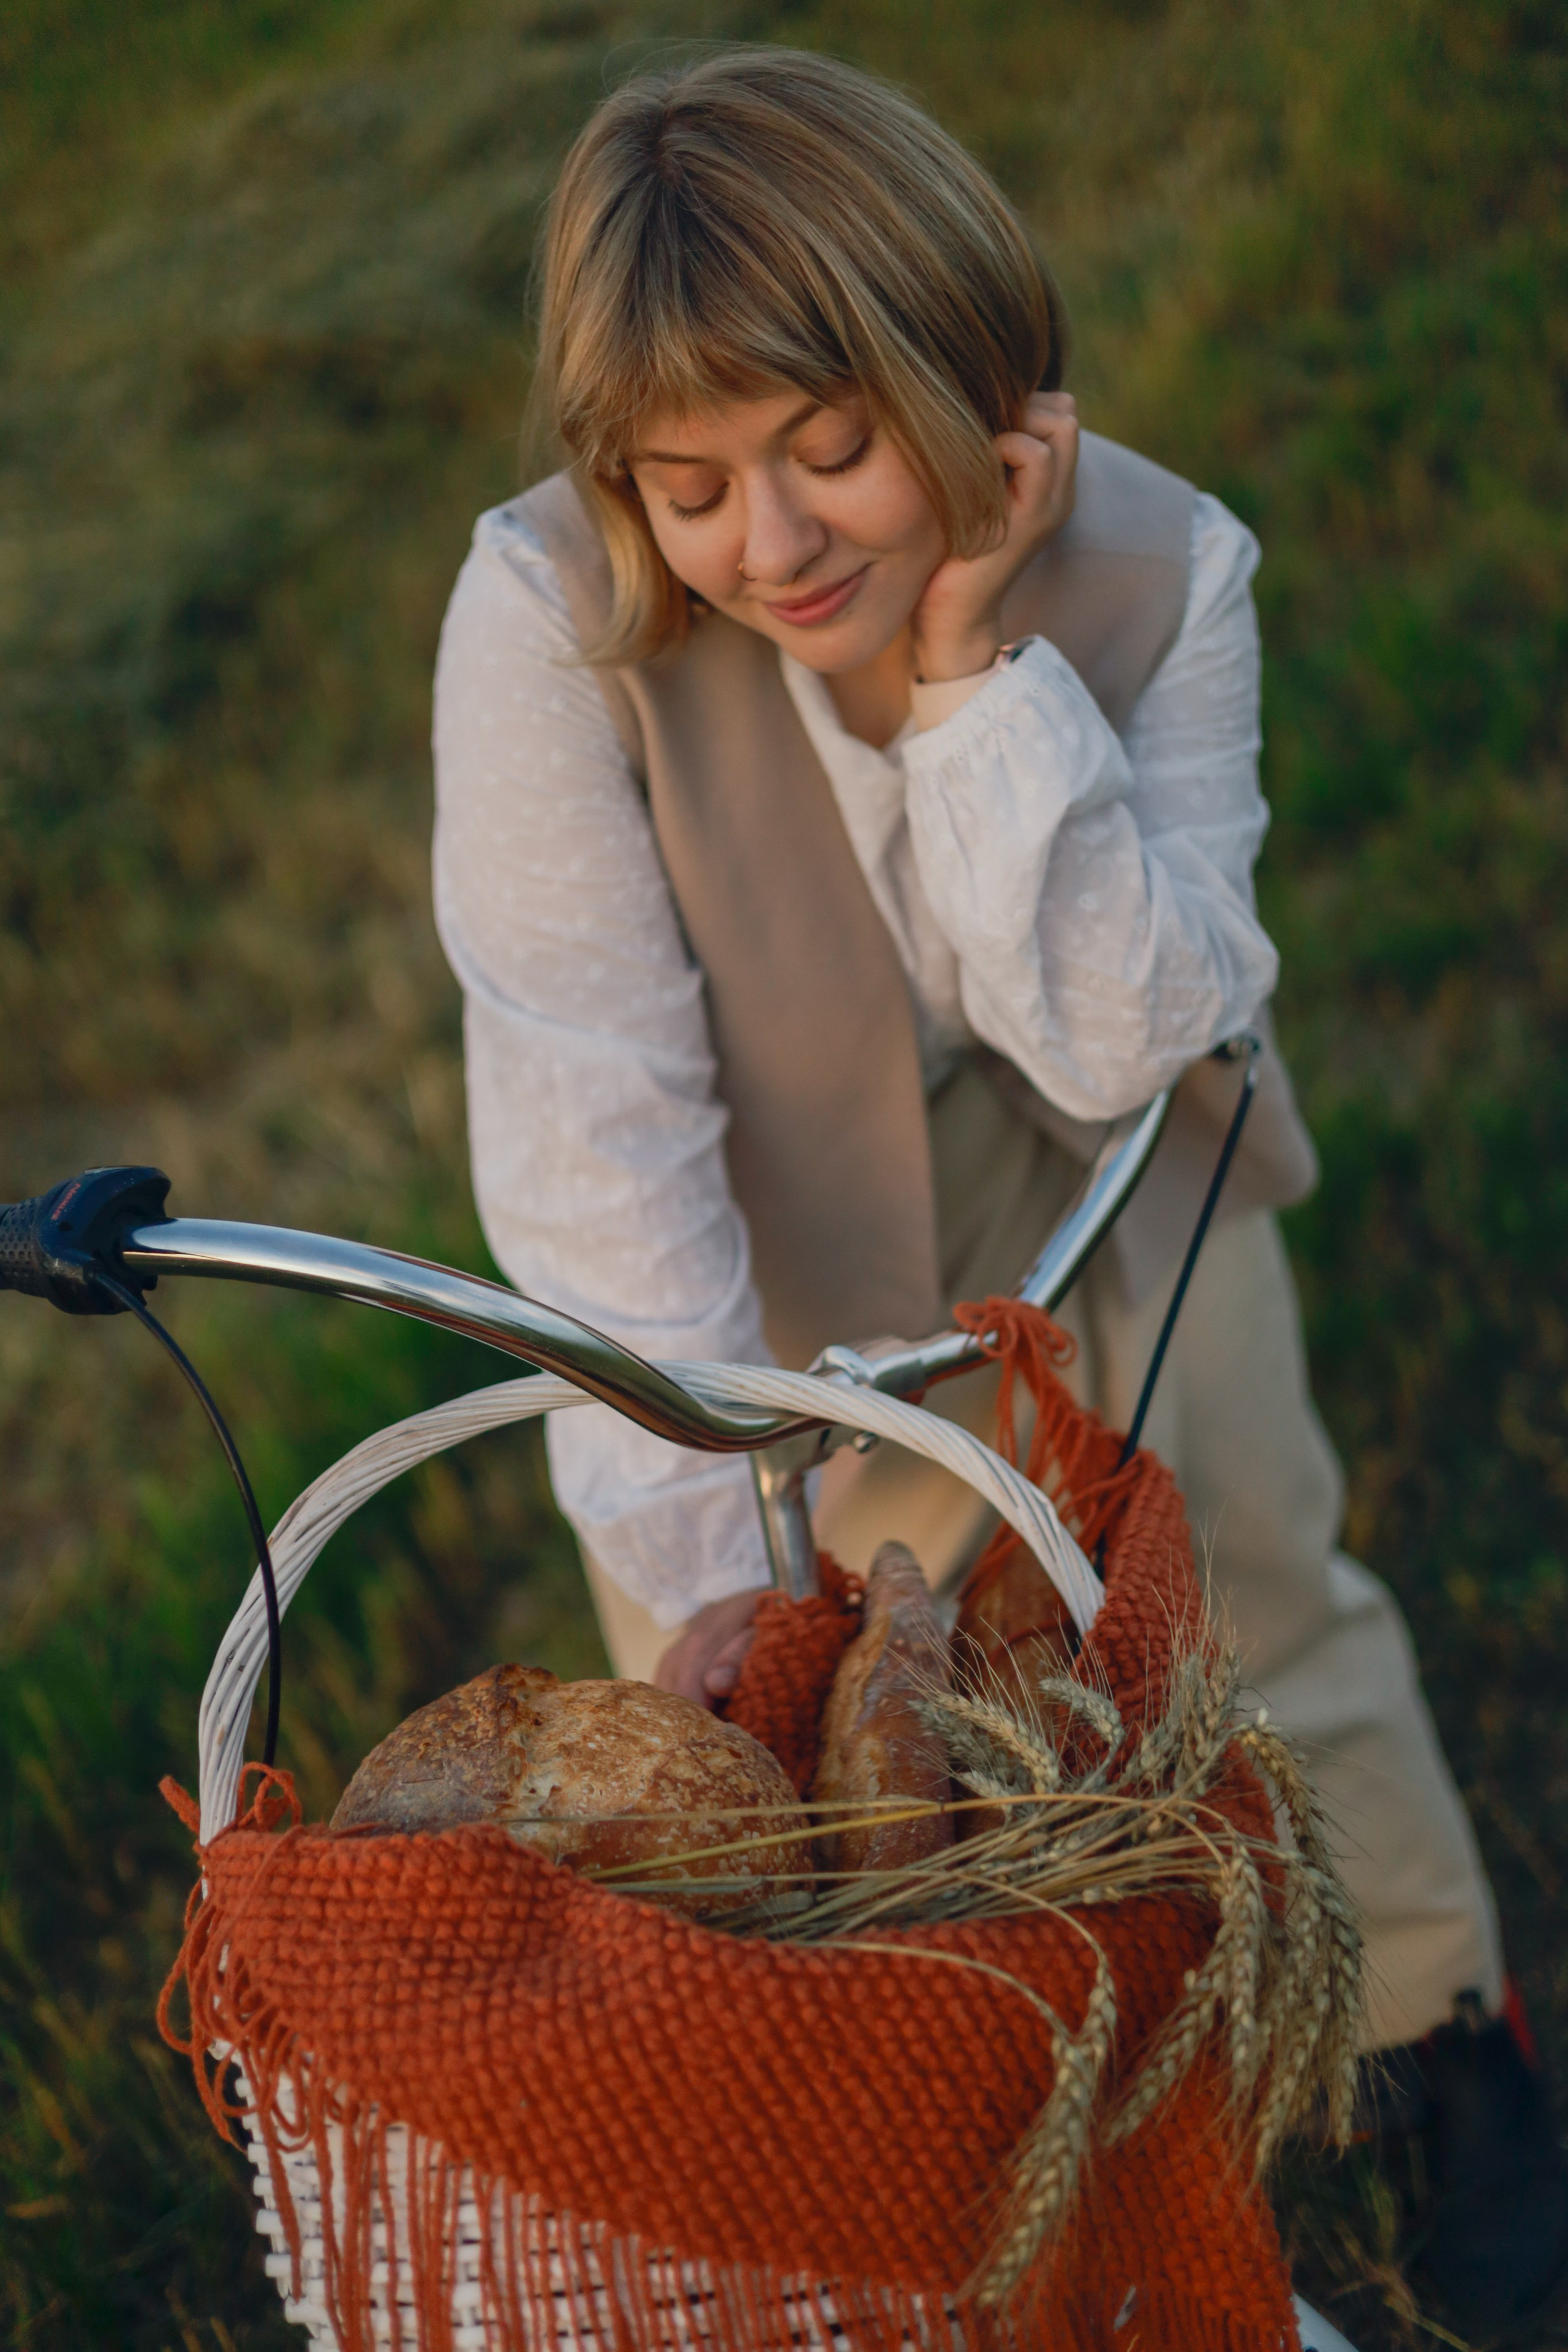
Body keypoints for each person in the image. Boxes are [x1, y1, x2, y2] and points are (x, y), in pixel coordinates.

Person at [432, 47, 1566, 2332]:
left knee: (1252, 1571)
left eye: (832, 446)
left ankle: (1443, 2030)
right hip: (756, 1197)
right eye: (690, 485)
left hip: (1100, 1143)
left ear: (974, 371)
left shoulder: (1168, 568)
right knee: (833, 1712)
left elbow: (1134, 1037)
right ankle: (960, 2124)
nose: (770, 544)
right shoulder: (548, 624)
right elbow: (593, 1129)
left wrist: (969, 682)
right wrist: (695, 1566)